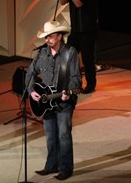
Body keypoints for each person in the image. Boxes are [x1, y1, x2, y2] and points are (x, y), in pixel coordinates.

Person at [25, 21, 82, 180]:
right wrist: (31, 91)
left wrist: (68, 92)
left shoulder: (70, 53)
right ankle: (51, 166)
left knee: (63, 136)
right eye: (46, 37)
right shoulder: (42, 54)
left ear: (60, 36)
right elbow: (30, 74)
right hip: (46, 101)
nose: (47, 40)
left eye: (51, 36)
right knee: (50, 136)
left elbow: (76, 79)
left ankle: (66, 169)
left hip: (63, 102)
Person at [60, 0, 98, 94]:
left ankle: (91, 85)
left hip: (87, 30)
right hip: (75, 31)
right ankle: (75, 83)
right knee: (68, 56)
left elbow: (78, 4)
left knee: (87, 59)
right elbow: (62, 2)